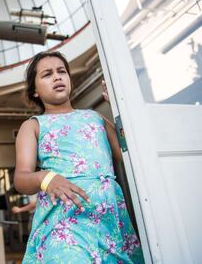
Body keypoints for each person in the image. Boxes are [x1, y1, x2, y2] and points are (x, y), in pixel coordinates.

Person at [14, 51, 144, 263]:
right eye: (47, 74)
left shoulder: (96, 118)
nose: (57, 77)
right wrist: (46, 178)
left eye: (62, 71)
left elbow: (130, 155)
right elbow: (21, 178)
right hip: (65, 225)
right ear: (34, 91)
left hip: (111, 224)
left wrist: (121, 108)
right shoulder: (33, 125)